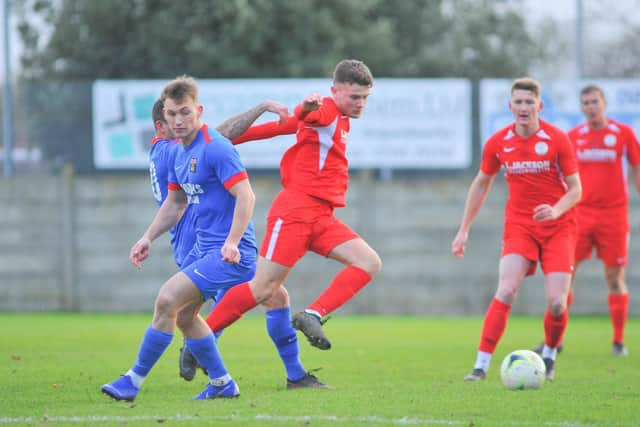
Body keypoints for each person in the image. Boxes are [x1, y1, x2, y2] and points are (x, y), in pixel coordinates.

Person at [101, 75, 272, 401]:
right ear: (162, 118)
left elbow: (246, 196)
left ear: (199, 111)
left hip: (231, 255)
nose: (178, 121)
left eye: (185, 113)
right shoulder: (178, 153)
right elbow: (175, 203)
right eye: (172, 114)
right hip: (205, 250)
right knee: (184, 316)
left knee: (166, 298)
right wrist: (147, 237)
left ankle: (132, 381)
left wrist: (233, 241)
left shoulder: (216, 147)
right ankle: (223, 384)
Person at [196, 59, 382, 352]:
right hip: (296, 212)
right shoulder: (328, 110)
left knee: (369, 262)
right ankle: (200, 339)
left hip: (322, 216)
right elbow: (308, 114)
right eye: (354, 97)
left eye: (365, 98)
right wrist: (307, 107)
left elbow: (274, 128)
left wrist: (224, 138)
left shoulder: (341, 117)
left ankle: (312, 315)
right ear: (334, 91)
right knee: (262, 288)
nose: (360, 104)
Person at [148, 99, 327, 389]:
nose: (185, 123)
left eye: (186, 114)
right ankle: (207, 362)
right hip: (206, 242)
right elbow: (222, 134)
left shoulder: (168, 151)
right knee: (215, 305)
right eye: (175, 116)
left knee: (273, 295)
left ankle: (294, 375)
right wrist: (261, 107)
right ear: (162, 125)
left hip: (203, 239)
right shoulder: (171, 150)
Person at [451, 77, 582, 382]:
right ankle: (480, 366)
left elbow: (576, 189)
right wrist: (463, 230)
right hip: (520, 226)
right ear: (510, 106)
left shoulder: (558, 139)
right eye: (518, 102)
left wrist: (556, 209)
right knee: (507, 289)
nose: (524, 107)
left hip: (559, 227)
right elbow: (481, 183)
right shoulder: (498, 142)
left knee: (557, 302)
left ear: (540, 105)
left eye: (529, 102)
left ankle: (549, 356)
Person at [533, 85, 640, 357]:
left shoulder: (623, 134)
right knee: (566, 276)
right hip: (579, 215)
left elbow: (636, 168)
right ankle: (555, 340)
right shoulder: (573, 137)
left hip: (614, 217)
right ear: (581, 108)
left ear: (604, 103)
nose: (591, 106)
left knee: (614, 278)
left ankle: (618, 342)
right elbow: (559, 176)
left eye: (595, 101)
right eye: (586, 103)